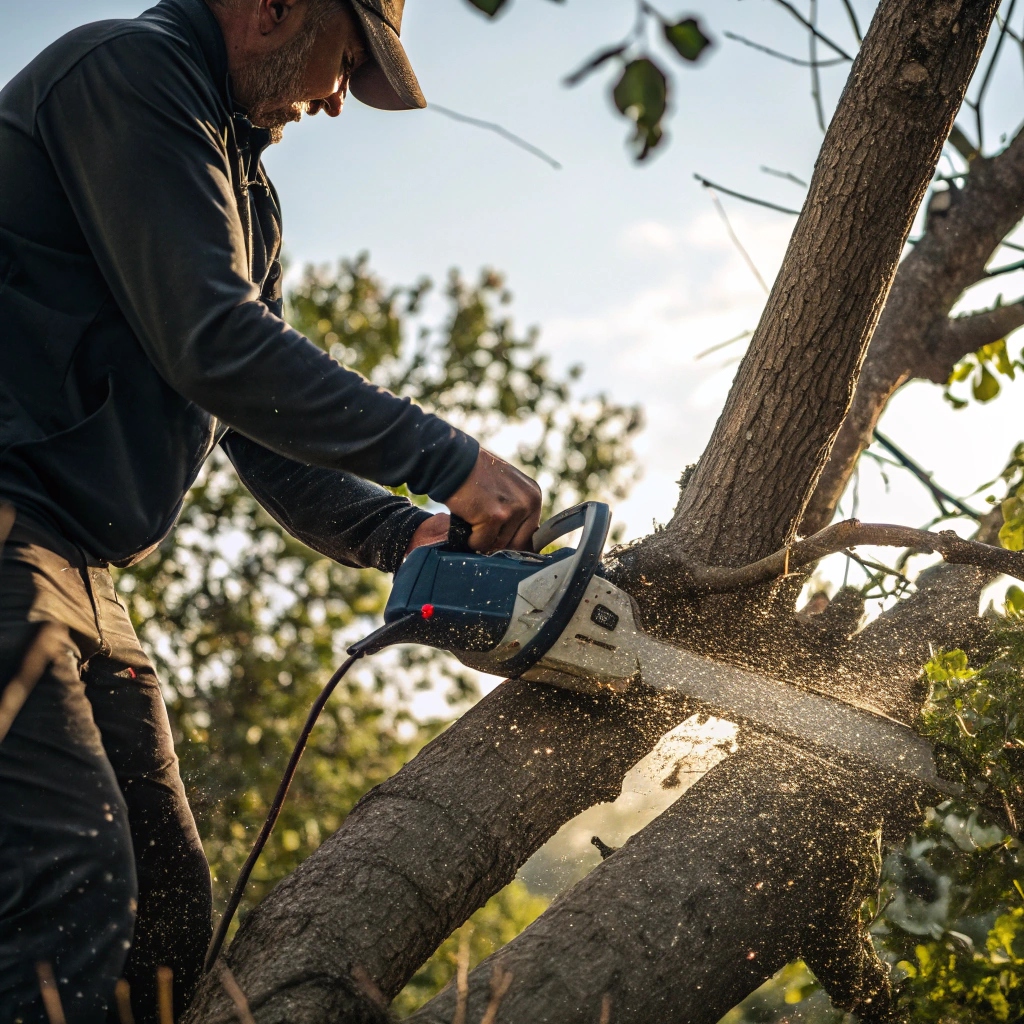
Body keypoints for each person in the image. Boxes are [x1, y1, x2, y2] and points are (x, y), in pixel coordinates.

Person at [0, 0, 542, 1020]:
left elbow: (258, 431)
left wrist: (406, 530)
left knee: (163, 919)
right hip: (6, 532)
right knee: (63, 882)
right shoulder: (128, 76)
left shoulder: (247, 191)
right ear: (276, 7)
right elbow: (218, 345)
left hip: (80, 565)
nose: (339, 98)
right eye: (348, 59)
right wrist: (449, 458)